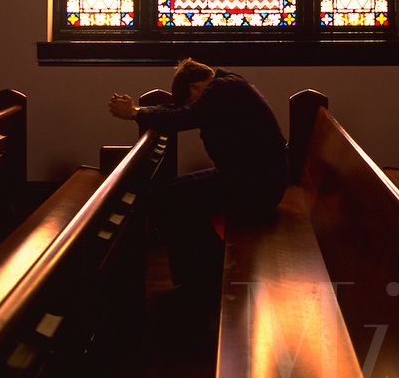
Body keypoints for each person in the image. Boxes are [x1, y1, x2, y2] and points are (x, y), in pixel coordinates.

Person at [108, 59, 288, 294]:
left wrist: (133, 113)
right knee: (168, 194)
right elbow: (180, 111)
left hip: (256, 186)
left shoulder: (223, 88)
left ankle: (200, 280)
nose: (194, 104)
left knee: (168, 199)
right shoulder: (227, 85)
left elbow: (186, 116)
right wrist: (140, 111)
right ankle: (202, 273)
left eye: (191, 99)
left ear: (194, 87)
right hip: (251, 178)